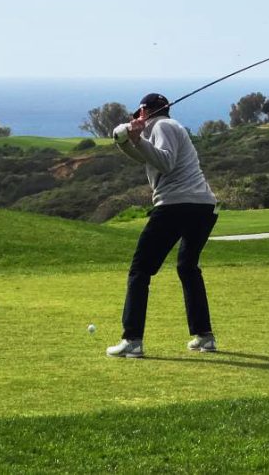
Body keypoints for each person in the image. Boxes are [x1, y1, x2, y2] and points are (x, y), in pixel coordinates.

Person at [106, 93, 219, 358]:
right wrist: (128, 138)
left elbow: (165, 162)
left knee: (140, 270)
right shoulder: (164, 128)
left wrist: (135, 136)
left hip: (175, 205)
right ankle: (205, 337)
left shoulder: (163, 126)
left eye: (139, 113)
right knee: (187, 267)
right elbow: (141, 155)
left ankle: (132, 340)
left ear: (145, 110)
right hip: (202, 206)